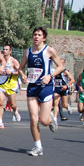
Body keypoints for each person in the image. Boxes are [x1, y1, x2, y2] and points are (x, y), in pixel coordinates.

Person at [18, 27, 64, 156]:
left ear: (44, 38)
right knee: (33, 118)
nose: (36, 37)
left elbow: (61, 67)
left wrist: (50, 75)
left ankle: (51, 118)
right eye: (34, 35)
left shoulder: (49, 50)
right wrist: (23, 75)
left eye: (39, 35)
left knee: (43, 121)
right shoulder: (27, 52)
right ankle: (38, 146)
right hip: (32, 87)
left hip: (46, 88)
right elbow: (21, 68)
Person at [0, 44, 20, 128]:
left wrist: (11, 72)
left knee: (12, 104)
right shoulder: (1, 60)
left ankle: (15, 111)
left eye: (6, 49)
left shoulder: (13, 61)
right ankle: (0, 121)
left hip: (11, 85)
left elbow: (20, 72)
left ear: (10, 51)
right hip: (1, 85)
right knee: (0, 102)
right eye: (4, 49)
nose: (4, 51)